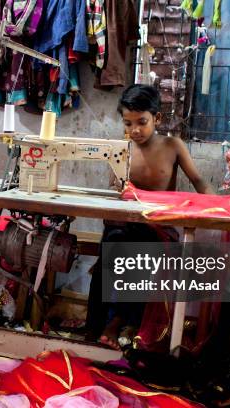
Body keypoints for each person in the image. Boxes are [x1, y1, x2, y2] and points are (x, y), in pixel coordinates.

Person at [87, 84, 214, 350]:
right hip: (125, 225)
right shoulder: (123, 148)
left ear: (157, 118)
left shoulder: (172, 146)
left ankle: (121, 320)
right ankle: (106, 324)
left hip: (158, 228)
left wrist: (216, 206)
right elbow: (115, 187)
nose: (135, 130)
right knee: (116, 245)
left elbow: (200, 181)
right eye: (128, 123)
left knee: (139, 251)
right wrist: (119, 189)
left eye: (142, 122)